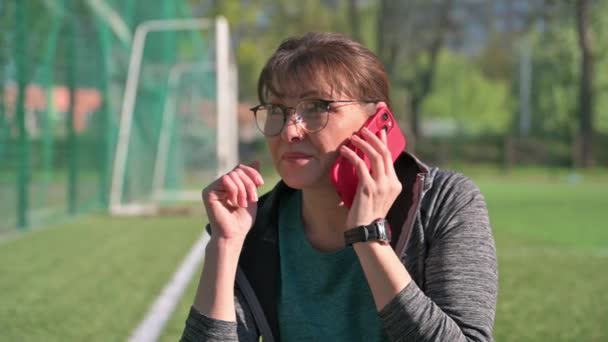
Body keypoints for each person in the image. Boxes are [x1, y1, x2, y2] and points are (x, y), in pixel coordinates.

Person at [181, 32, 497, 342]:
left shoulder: (444, 202)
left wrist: (369, 237)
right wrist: (225, 244)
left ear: (377, 120)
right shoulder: (257, 226)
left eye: (317, 107)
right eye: (277, 110)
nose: (290, 131)